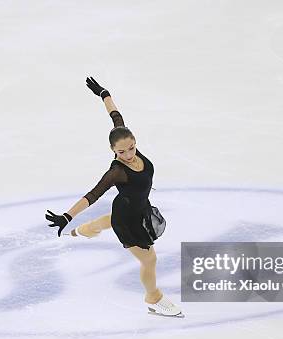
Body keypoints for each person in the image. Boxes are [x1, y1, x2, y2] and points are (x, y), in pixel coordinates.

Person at [45, 77, 184, 318]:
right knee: (149, 260)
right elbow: (92, 195)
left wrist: (104, 93)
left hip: (137, 207)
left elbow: (116, 117)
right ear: (113, 151)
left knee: (108, 219)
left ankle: (84, 230)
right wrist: (67, 216)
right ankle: (153, 298)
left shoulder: (127, 142)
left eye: (131, 147)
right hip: (127, 219)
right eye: (122, 151)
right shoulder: (117, 172)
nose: (129, 154)